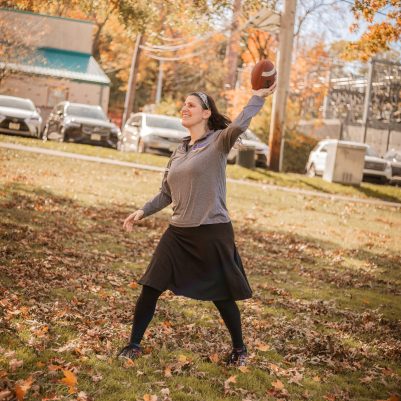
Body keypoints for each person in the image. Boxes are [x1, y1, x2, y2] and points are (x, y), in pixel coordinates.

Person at [118, 83, 276, 366]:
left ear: (206, 113)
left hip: (211, 231)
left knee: (222, 294)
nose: (185, 108)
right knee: (151, 285)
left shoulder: (218, 141)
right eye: (184, 104)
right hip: (178, 232)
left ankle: (240, 349)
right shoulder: (178, 151)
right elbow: (166, 193)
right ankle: (133, 344)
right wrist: (142, 211)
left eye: (191, 105)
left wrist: (257, 97)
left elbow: (239, 125)